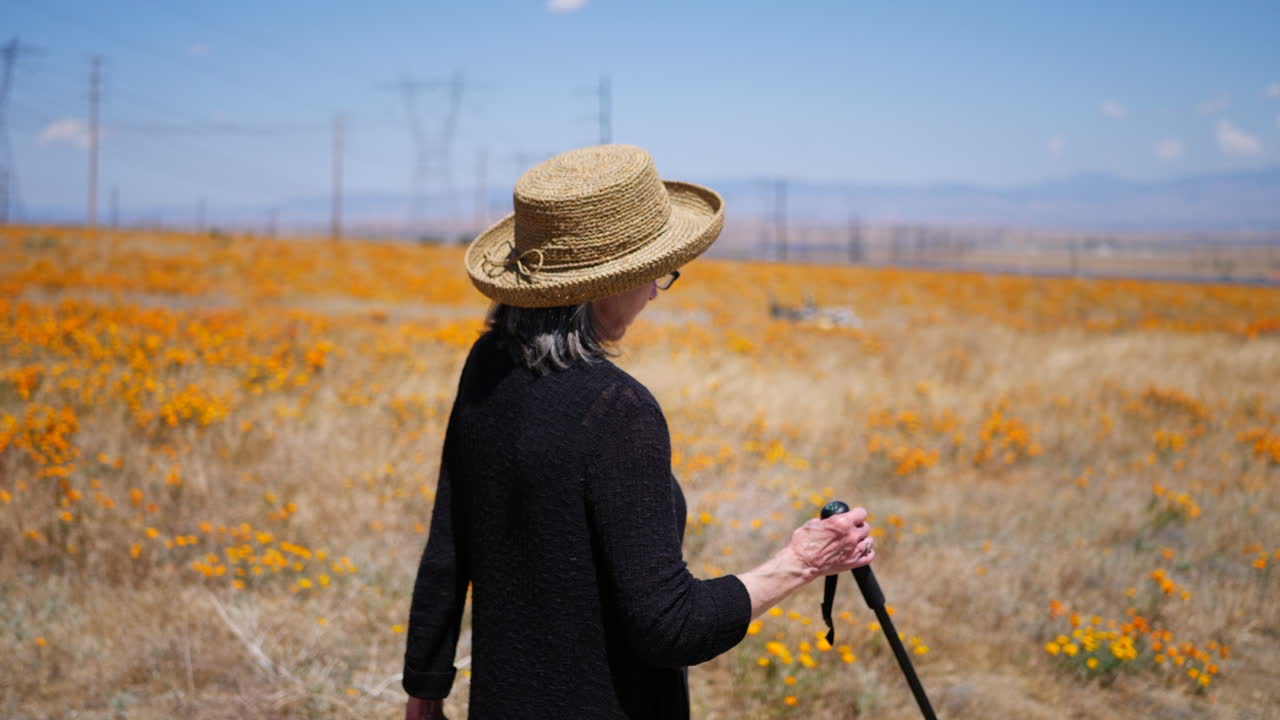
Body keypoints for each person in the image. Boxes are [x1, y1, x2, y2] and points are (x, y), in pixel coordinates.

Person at [402, 145, 875, 719]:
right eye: (653, 273)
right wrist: (801, 562)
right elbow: (670, 626)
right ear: (603, 284)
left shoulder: (489, 364)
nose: (655, 289)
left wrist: (424, 691)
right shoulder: (617, 410)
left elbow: (448, 544)